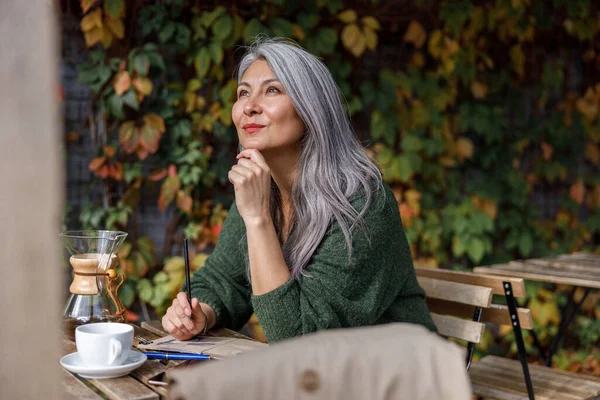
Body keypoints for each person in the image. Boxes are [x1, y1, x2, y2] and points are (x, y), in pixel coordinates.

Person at [161, 38, 436, 343]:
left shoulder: (362, 203)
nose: (249, 107)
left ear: (310, 109)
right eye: (243, 93)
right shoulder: (266, 192)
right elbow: (224, 280)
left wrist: (258, 220)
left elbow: (301, 339)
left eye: (272, 90)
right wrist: (201, 313)